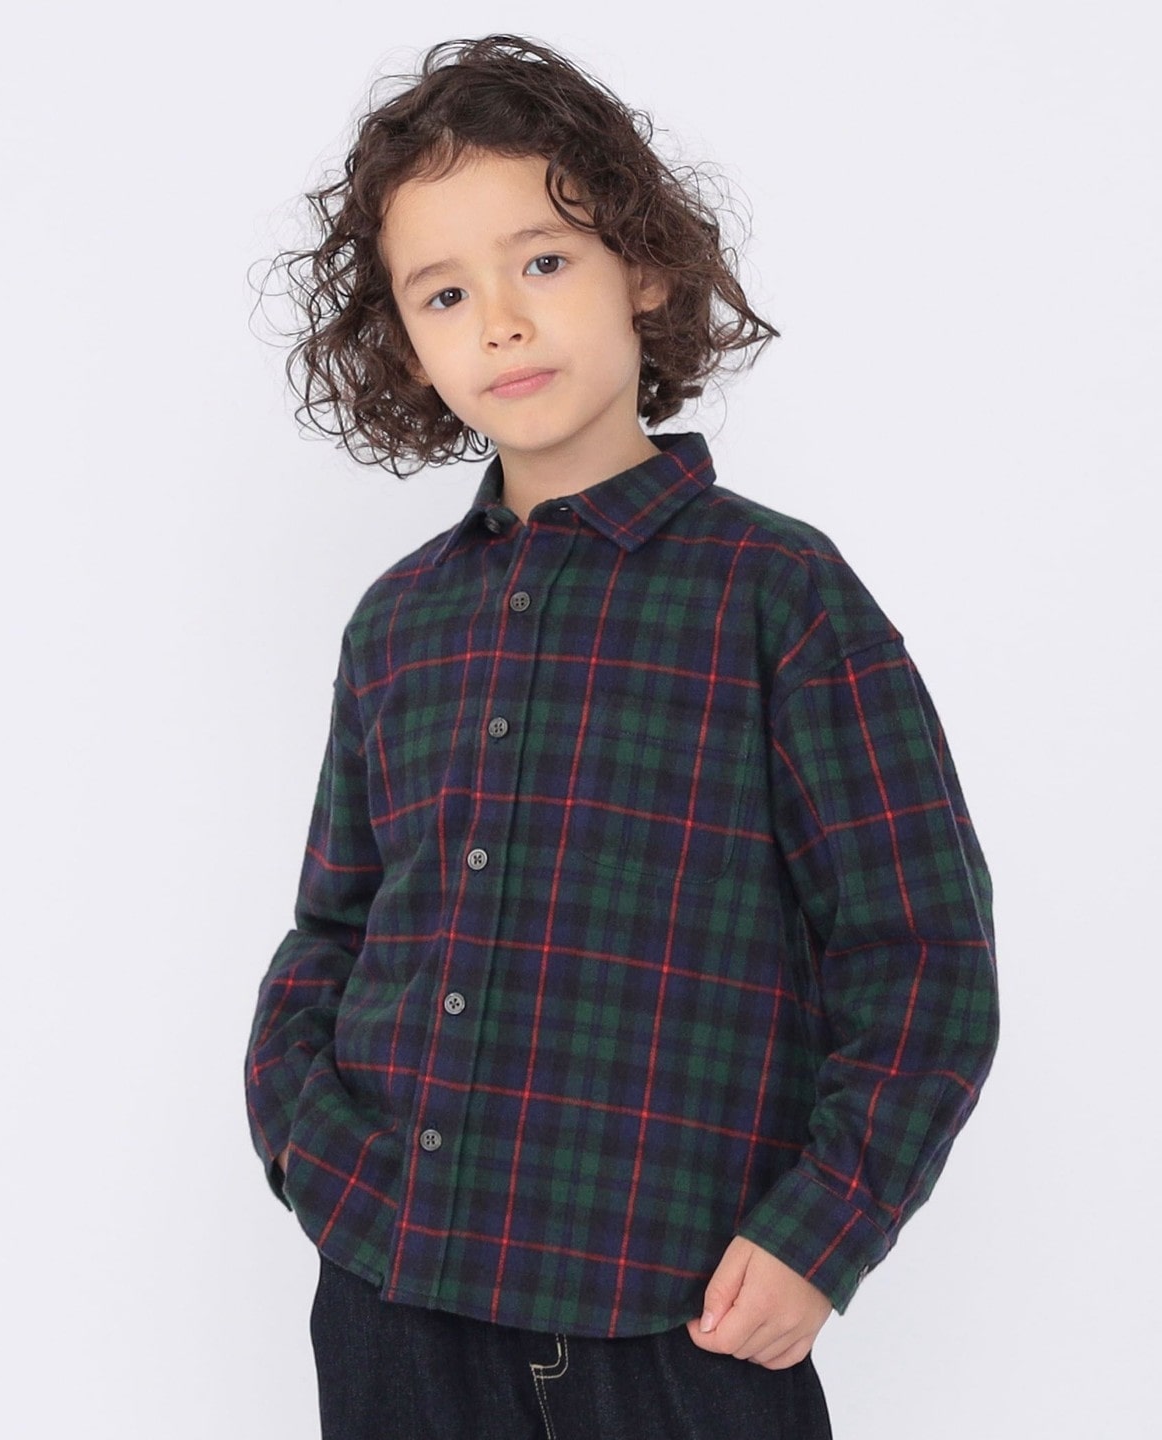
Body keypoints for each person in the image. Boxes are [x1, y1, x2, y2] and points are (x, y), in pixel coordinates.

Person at [243, 34, 999, 1440]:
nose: (501, 323)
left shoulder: (778, 593)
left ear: (641, 266)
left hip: (679, 1326)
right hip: (398, 1313)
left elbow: (922, 953)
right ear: (406, 339)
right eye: (445, 292)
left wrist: (823, 1232)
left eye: (542, 261)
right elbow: (332, 928)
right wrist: (308, 1146)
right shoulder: (397, 621)